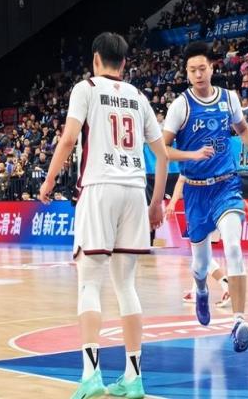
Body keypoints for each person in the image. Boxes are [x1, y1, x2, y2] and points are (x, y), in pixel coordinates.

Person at [39, 32, 168, 399]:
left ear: (96, 59)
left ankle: (90, 375)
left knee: (89, 284)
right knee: (126, 285)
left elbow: (68, 139)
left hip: (99, 189)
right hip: (134, 192)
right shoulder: (139, 96)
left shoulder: (86, 89)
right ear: (124, 63)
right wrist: (156, 202)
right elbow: (161, 154)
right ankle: (134, 377)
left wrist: (49, 180)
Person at [162, 42, 248, 353]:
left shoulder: (228, 98)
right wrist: (192, 155)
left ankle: (239, 320)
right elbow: (162, 149)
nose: (198, 74)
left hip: (226, 185)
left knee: (233, 246)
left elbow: (242, 128)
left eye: (202, 68)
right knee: (200, 264)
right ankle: (202, 290)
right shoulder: (180, 106)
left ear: (211, 68)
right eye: (192, 70)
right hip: (195, 191)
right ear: (187, 73)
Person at [165, 175, 232, 308]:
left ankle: (226, 284)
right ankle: (196, 291)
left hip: (202, 211)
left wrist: (172, 202)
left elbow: (181, 180)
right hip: (215, 208)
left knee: (201, 257)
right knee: (200, 255)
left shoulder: (195, 165)